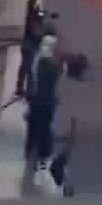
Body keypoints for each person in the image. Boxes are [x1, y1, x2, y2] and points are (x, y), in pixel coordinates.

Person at [27, 34, 61, 171]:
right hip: (47, 99)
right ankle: (43, 153)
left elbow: (34, 79)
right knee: (44, 126)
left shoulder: (39, 60)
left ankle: (32, 150)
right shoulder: (51, 63)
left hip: (39, 99)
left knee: (36, 125)